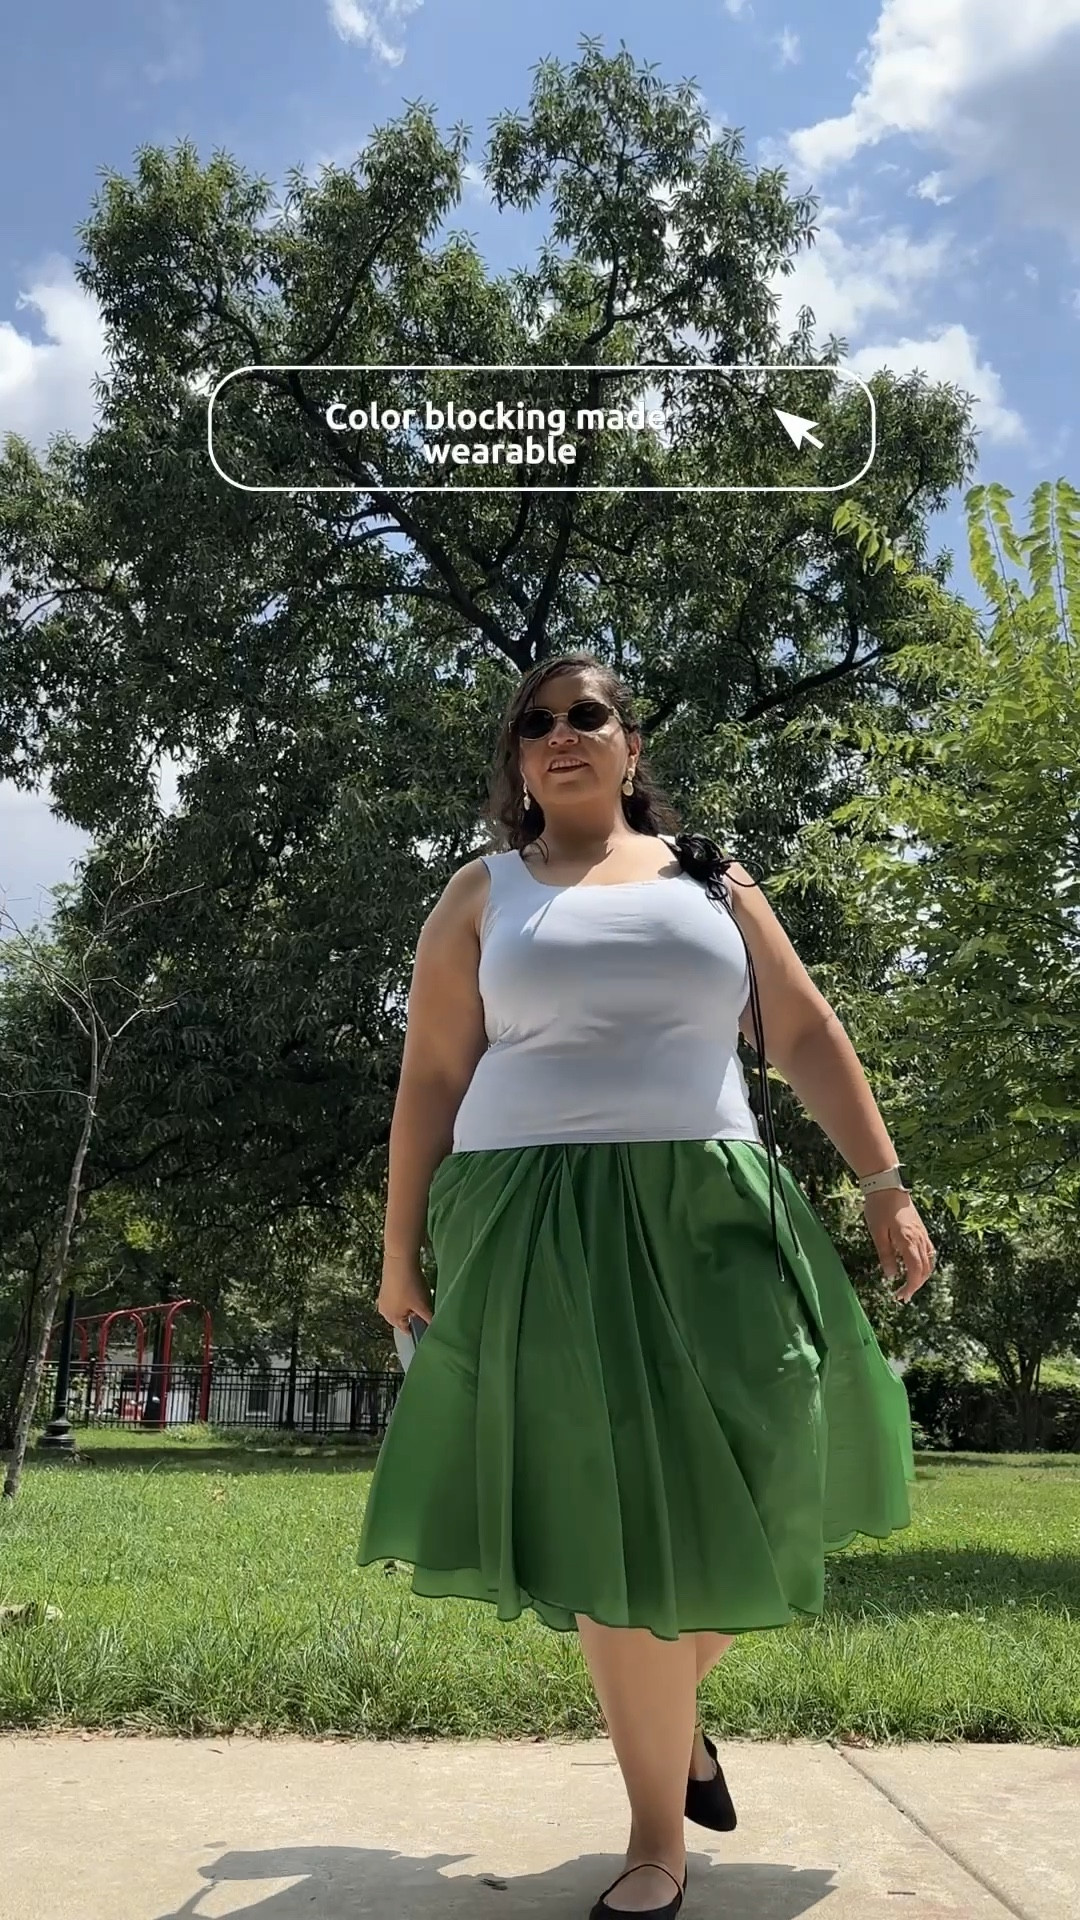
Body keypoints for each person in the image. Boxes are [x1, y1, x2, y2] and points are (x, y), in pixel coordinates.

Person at [357, 652, 936, 1920]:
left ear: (630, 746)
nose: (563, 734)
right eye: (537, 722)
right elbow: (431, 1084)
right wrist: (398, 1254)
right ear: (518, 759)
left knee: (777, 1445)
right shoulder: (480, 894)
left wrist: (883, 1181)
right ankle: (653, 1837)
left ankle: (673, 1726)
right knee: (602, 1507)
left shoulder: (710, 881)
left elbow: (803, 1031)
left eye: (589, 716)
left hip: (712, 1206)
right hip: (530, 1216)